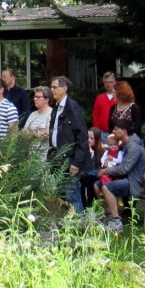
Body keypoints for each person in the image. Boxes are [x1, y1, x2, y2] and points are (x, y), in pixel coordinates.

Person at [48, 75, 91, 213]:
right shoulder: (56, 108)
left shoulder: (72, 107)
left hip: (70, 159)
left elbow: (82, 136)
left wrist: (77, 162)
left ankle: (80, 225)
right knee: (62, 195)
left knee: (72, 194)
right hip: (57, 157)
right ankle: (67, 226)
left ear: (65, 88)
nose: (52, 90)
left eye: (55, 87)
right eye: (51, 87)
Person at [99, 122, 145, 232]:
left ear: (124, 132)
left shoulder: (134, 147)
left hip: (136, 183)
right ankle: (109, 217)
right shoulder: (127, 144)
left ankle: (116, 223)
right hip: (128, 178)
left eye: (116, 129)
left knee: (107, 188)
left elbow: (124, 169)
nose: (113, 131)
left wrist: (106, 170)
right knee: (98, 184)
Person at [21, 85, 53, 159]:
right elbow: (23, 134)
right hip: (30, 156)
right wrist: (36, 134)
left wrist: (30, 133)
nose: (35, 99)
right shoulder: (33, 114)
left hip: (45, 157)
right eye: (34, 97)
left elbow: (46, 134)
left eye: (38, 97)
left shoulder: (52, 114)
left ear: (47, 99)